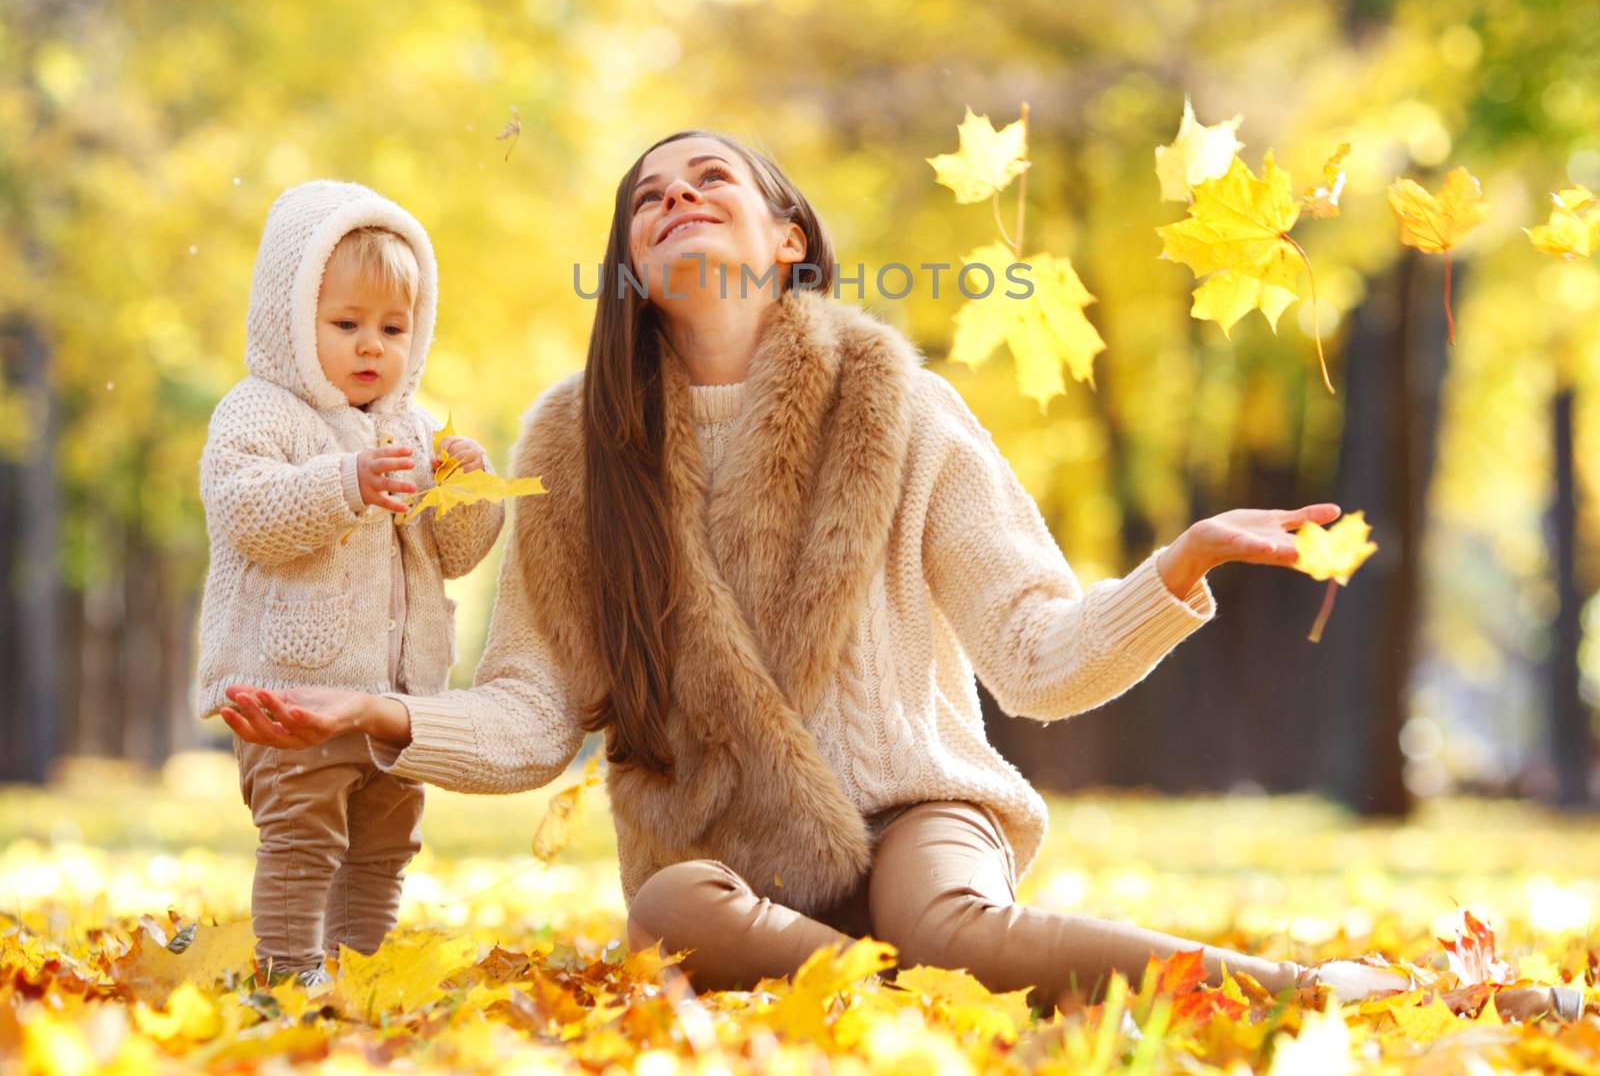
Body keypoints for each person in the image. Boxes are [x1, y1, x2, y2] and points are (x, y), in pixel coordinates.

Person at [221, 137, 1583, 1023]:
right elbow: (530, 708)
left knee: (938, 911)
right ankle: (938, 990)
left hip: (921, 807)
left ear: (789, 240)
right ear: (631, 272)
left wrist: (1180, 566)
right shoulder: (570, 447)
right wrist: (381, 723)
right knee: (668, 910)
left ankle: (1308, 990)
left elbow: (1037, 655)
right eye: (647, 195)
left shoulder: (901, 406)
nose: (675, 199)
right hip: (722, 850)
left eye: (710, 181)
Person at [198, 179, 504, 984]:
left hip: (395, 701)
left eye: (394, 328)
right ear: (290, 322)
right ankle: (292, 975)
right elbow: (246, 510)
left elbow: (453, 554)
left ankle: (358, 974)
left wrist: (464, 495)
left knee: (384, 845)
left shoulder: (408, 426)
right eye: (346, 325)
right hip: (290, 694)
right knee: (302, 839)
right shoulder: (258, 411)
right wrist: (347, 484)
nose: (373, 347)